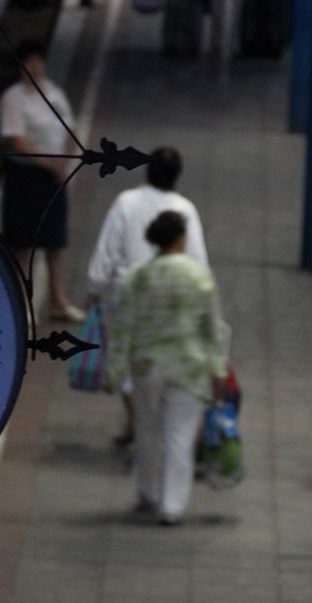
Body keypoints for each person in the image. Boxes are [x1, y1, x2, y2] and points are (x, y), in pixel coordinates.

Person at [108, 211, 227, 525]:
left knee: (147, 430)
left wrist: (115, 369)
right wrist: (218, 368)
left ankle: (147, 492)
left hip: (146, 366)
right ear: (181, 238)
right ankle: (172, 506)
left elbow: (122, 327)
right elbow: (212, 327)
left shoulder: (138, 277)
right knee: (179, 437)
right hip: (189, 367)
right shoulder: (198, 276)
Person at [86, 147, 208, 447]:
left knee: (129, 358)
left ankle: (137, 419)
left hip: (127, 292)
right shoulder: (185, 209)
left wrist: (95, 286)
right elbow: (198, 260)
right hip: (169, 295)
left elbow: (108, 249)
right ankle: (154, 422)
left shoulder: (125, 202)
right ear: (178, 175)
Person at [0, 41, 85, 323]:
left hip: (53, 176)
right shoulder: (13, 99)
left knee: (55, 241)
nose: (35, 67)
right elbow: (17, 140)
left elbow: (70, 128)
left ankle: (59, 301)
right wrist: (50, 163)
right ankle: (23, 305)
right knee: (22, 243)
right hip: (25, 177)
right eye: (29, 62)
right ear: (20, 67)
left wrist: (63, 162)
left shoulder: (54, 93)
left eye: (38, 61)